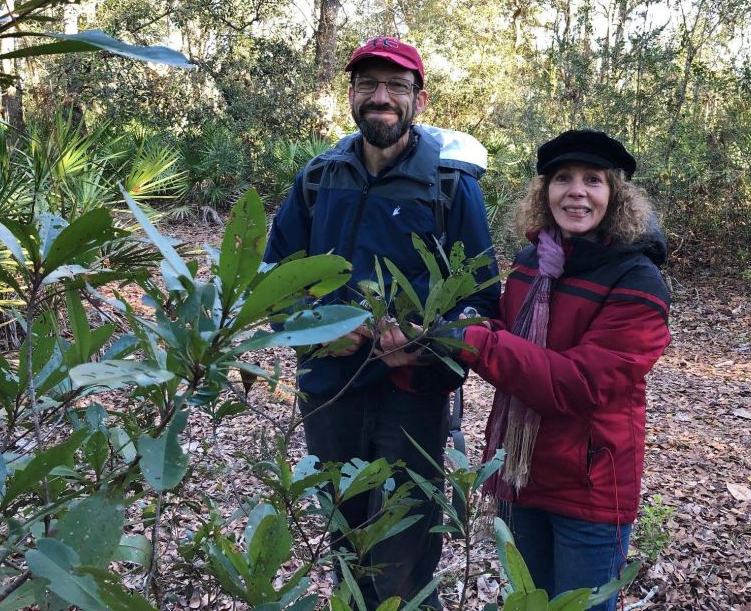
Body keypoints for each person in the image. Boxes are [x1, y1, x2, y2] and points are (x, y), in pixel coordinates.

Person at [263, 36, 499, 609]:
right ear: (351, 94)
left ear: (419, 99)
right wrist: (317, 324)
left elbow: (482, 304)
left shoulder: (449, 185)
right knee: (345, 538)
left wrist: (421, 342)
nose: (381, 97)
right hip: (330, 393)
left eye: (396, 86)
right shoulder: (319, 179)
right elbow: (272, 279)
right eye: (368, 84)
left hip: (410, 396)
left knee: (404, 550)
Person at [449, 130, 670, 607]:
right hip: (521, 472)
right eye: (562, 178)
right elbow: (506, 338)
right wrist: (465, 323)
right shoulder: (532, 262)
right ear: (544, 191)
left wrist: (473, 340)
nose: (576, 191)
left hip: (588, 486)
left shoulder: (638, 280)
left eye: (593, 179)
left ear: (614, 195)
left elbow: (577, 383)